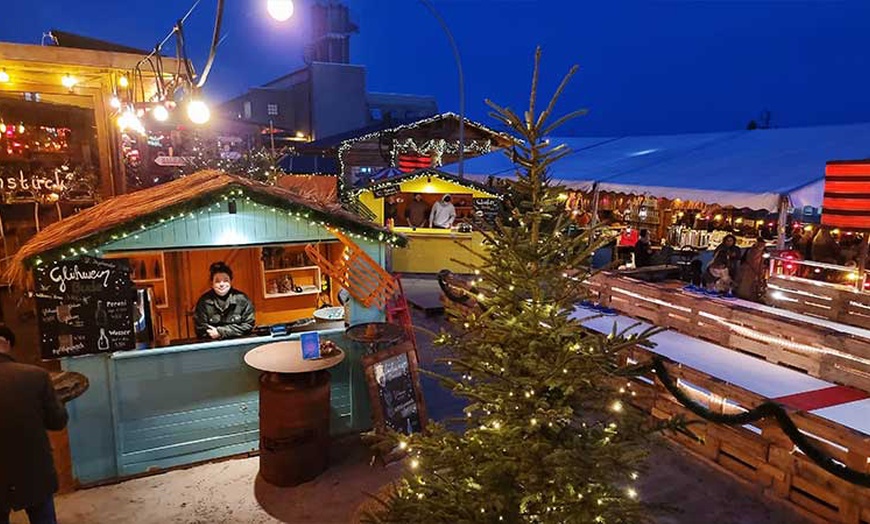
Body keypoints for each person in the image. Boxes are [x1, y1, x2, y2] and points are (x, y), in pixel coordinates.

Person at [0, 325, 68, 524]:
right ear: (7, 344)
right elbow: (57, 422)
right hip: (34, 469)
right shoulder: (36, 376)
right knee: (43, 518)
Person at [194, 262, 255, 340]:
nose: (222, 284)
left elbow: (248, 325)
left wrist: (221, 332)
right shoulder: (204, 302)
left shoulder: (242, 299)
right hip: (212, 343)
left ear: (231, 282)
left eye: (226, 280)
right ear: (211, 283)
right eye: (217, 281)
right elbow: (200, 328)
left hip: (238, 342)